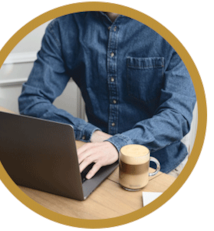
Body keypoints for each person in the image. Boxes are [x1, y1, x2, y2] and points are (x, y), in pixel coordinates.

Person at [18, 11, 196, 179]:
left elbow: (177, 115)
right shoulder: (62, 27)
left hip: (160, 167)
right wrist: (91, 133)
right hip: (97, 166)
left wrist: (118, 144)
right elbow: (32, 100)